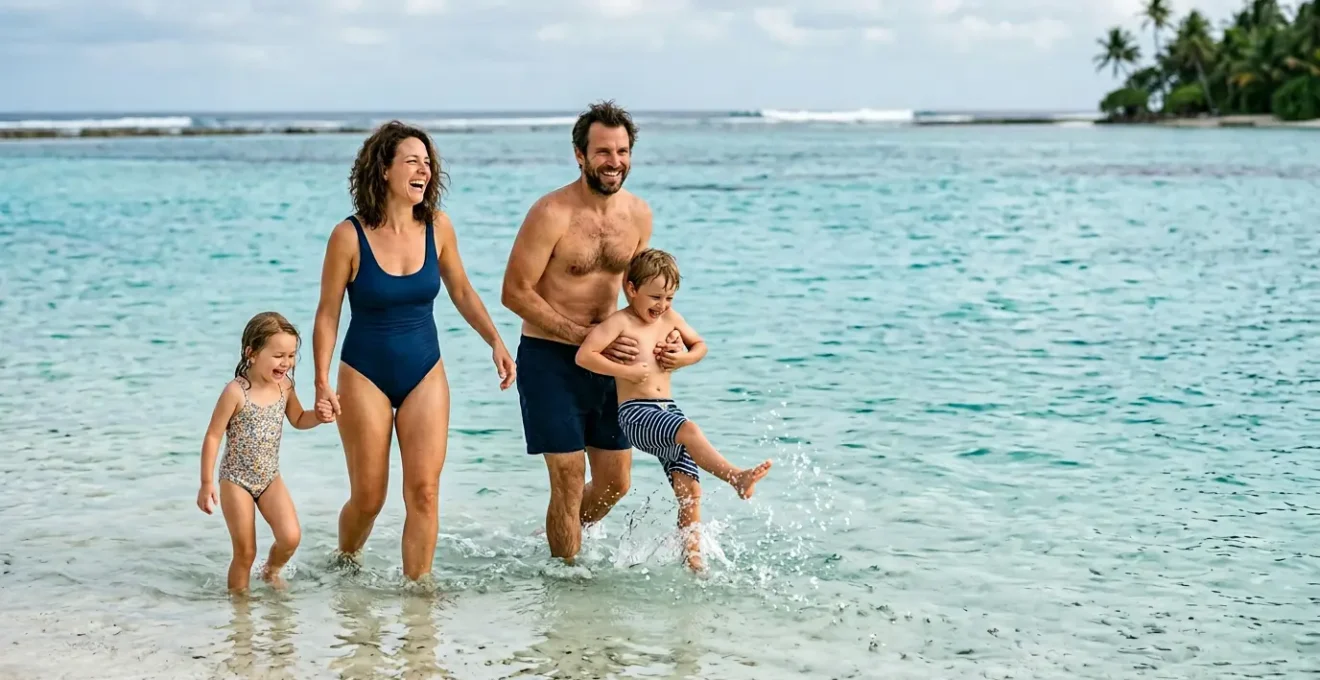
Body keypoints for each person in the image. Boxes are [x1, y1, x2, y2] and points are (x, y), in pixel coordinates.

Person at [313, 120, 516, 582]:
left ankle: (418, 597)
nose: (423, 170)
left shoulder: (438, 227)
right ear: (384, 170)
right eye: (412, 161)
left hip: (425, 370)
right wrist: (321, 379)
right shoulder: (348, 236)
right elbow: (328, 313)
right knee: (369, 497)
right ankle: (345, 561)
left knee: (424, 492)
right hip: (363, 373)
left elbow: (462, 290)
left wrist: (496, 342)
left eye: (427, 162)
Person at [501, 100, 684, 563]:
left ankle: (557, 542)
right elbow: (514, 291)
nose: (614, 161)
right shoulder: (551, 213)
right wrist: (577, 333)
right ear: (580, 155)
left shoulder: (639, 216)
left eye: (622, 151)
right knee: (566, 477)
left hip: (611, 361)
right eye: (603, 151)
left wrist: (664, 338)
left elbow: (642, 295)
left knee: (615, 483)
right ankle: (567, 580)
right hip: (549, 359)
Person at [575, 249, 772, 571]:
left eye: (669, 297)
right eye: (655, 297)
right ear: (631, 288)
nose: (662, 305)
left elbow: (701, 346)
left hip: (667, 410)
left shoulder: (671, 319)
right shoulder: (620, 322)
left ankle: (693, 561)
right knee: (690, 431)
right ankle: (735, 477)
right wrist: (624, 372)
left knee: (690, 488)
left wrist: (684, 359)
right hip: (637, 414)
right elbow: (585, 355)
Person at [197, 311, 333, 594]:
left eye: (291, 355)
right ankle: (240, 609)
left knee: (291, 537)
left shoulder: (285, 387)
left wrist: (318, 417)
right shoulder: (236, 392)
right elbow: (213, 436)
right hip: (236, 480)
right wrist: (207, 483)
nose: (286, 363)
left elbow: (297, 419)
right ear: (252, 353)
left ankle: (270, 571)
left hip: (270, 477)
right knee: (245, 552)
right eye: (278, 355)